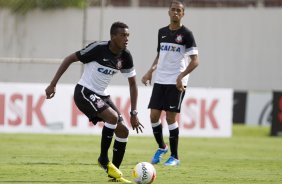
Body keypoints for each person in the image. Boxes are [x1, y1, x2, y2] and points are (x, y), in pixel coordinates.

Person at [45, 21, 143, 183]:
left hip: (102, 95)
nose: (126, 39)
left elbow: (133, 83)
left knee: (123, 131)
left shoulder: (126, 56)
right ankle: (103, 158)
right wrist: (53, 84)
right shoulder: (98, 49)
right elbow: (69, 58)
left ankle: (114, 174)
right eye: (123, 35)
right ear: (113, 37)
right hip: (84, 92)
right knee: (112, 118)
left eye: (128, 35)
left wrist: (134, 112)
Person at [141, 0, 199, 166]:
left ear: (182, 14)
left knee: (171, 118)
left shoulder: (187, 34)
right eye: (173, 9)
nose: (175, 12)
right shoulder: (162, 32)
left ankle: (175, 157)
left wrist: (181, 76)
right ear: (168, 12)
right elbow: (160, 56)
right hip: (160, 80)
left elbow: (195, 61)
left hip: (176, 81)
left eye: (178, 10)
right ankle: (162, 147)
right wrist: (150, 71)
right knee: (153, 116)